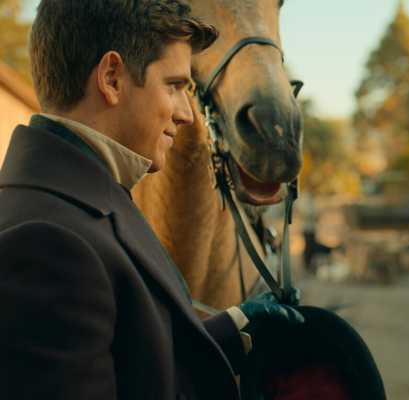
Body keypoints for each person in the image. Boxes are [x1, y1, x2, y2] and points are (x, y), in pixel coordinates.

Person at [0, 1, 303, 399]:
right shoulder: (45, 247)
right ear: (111, 78)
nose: (187, 114)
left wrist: (233, 329)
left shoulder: (87, 194)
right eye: (175, 86)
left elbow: (130, 361)